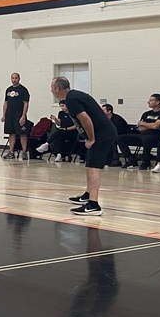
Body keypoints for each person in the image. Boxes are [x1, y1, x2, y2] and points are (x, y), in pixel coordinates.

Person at [51, 77, 117, 217]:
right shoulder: (73, 96)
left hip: (103, 134)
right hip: (101, 133)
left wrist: (91, 138)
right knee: (89, 163)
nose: (51, 90)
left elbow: (85, 119)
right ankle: (88, 195)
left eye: (51, 87)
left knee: (93, 166)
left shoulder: (72, 99)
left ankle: (94, 205)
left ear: (57, 89)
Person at [117, 94, 160, 170]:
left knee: (147, 139)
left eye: (151, 100)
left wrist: (144, 124)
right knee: (120, 138)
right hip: (142, 135)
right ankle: (131, 159)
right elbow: (140, 128)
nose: (148, 102)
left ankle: (146, 161)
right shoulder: (146, 114)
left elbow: (156, 126)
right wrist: (150, 125)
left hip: (155, 136)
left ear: (157, 102)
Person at [1, 72, 30, 159]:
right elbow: (6, 103)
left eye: (16, 78)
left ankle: (24, 152)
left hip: (19, 115)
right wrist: (4, 115)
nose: (14, 80)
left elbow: (26, 104)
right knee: (11, 133)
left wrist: (23, 116)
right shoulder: (8, 90)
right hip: (9, 115)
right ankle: (11, 152)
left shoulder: (23, 90)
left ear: (19, 78)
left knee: (22, 133)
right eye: (12, 78)